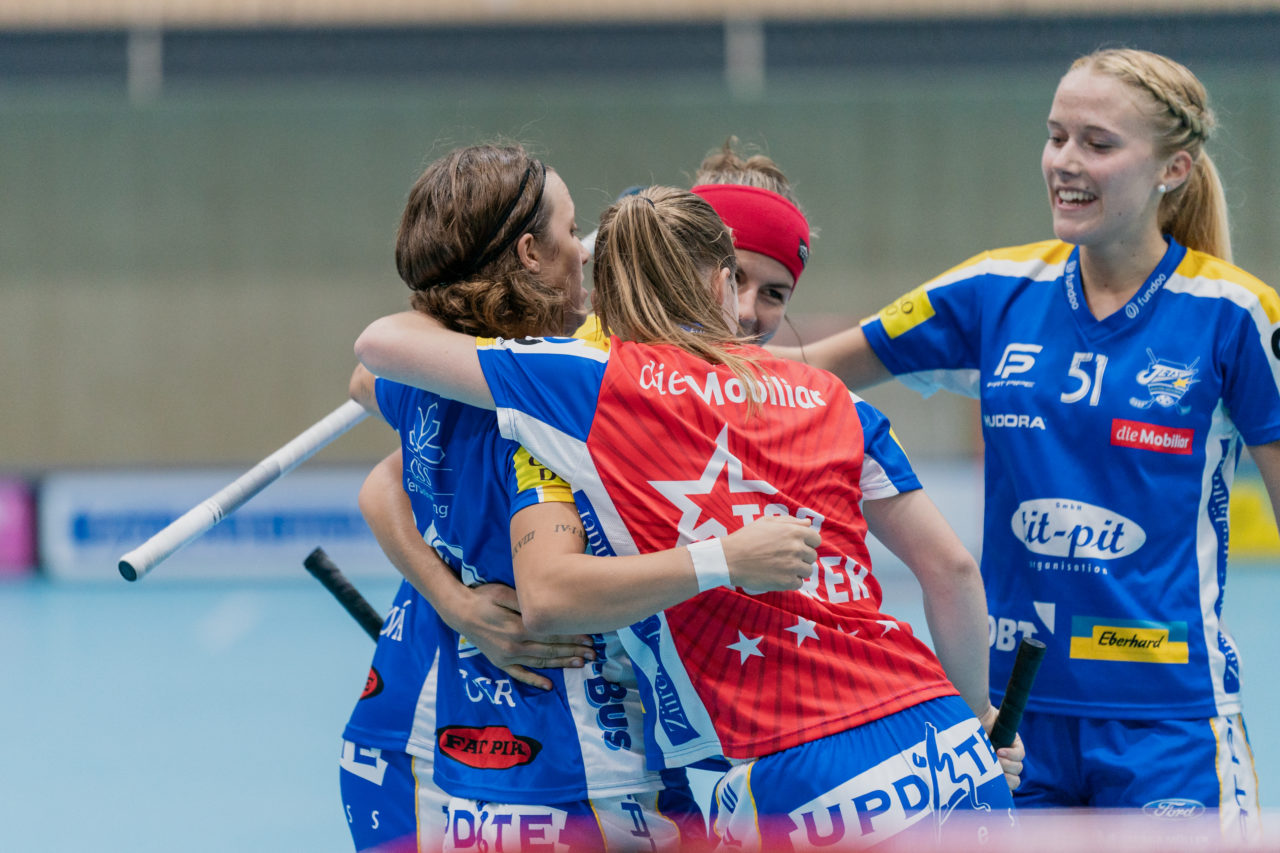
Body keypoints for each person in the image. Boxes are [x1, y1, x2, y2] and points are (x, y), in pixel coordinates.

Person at [355, 186, 1024, 851]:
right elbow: (953, 569)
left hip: (791, 769)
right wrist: (983, 719)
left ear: (603, 293)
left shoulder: (592, 382)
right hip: (945, 739)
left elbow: (380, 350)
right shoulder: (834, 396)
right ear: (723, 279)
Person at [772, 48, 1278, 835]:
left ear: (1173, 169)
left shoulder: (1235, 315)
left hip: (1172, 729)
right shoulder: (992, 291)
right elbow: (793, 378)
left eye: (1098, 144)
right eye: (1056, 137)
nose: (1065, 163)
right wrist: (626, 348)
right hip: (1010, 730)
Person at [343, 143, 814, 852]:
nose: (585, 254)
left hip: (422, 736)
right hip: (573, 761)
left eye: (771, 291)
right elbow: (548, 588)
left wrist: (455, 600)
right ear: (531, 252)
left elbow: (373, 414)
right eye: (570, 232)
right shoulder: (581, 383)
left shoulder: (441, 368)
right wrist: (461, 604)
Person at [691, 138, 812, 344]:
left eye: (773, 294)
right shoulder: (618, 362)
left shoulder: (792, 375)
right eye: (733, 278)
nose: (746, 313)